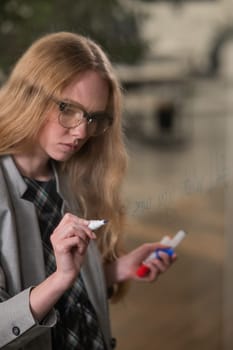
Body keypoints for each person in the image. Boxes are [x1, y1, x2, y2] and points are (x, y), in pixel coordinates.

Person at [0, 31, 176, 350]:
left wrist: (119, 269)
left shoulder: (73, 176)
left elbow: (71, 290)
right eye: (67, 108)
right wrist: (60, 279)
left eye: (94, 117)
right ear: (30, 95)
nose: (82, 132)